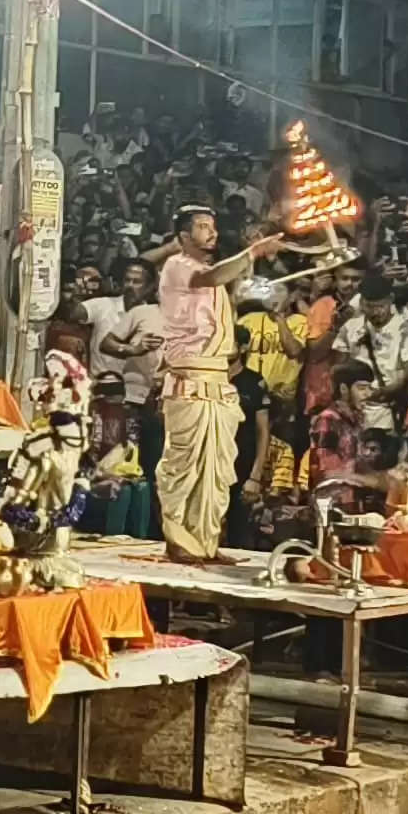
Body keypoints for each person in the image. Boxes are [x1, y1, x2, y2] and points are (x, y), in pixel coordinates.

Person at [153, 206, 286, 563]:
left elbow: (228, 281)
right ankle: (180, 539)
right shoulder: (179, 265)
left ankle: (206, 541)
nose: (211, 232)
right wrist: (253, 252)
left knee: (214, 469)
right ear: (183, 237)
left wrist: (256, 259)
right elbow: (213, 277)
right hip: (191, 378)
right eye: (201, 227)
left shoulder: (210, 275)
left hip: (215, 379)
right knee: (185, 465)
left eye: (212, 226)